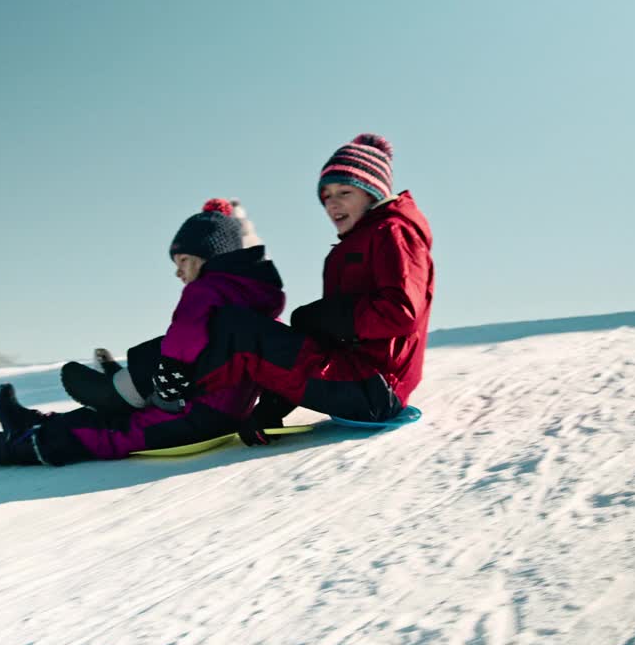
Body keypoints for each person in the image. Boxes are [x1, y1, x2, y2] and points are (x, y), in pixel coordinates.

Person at [77, 133, 433, 442]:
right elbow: (323, 348)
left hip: (373, 389)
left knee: (238, 331)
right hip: (355, 379)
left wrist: (323, 317)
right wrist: (273, 408)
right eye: (325, 195)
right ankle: (135, 383)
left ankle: (134, 389)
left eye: (344, 192)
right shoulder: (350, 248)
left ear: (373, 193)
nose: (332, 203)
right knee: (237, 326)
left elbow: (401, 311)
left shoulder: (393, 233)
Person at [0, 198, 285, 466]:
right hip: (215, 406)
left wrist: (170, 375)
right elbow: (272, 357)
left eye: (182, 261)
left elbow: (184, 338)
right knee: (114, 413)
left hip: (196, 413)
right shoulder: (255, 301)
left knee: (112, 432)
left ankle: (20, 447)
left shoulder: (204, 292)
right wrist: (265, 410)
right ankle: (31, 424)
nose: (177, 271)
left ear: (207, 257)